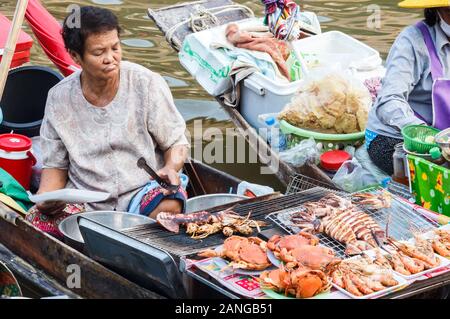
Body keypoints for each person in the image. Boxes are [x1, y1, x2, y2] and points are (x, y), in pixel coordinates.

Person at [26, 6, 190, 238]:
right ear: (75, 56)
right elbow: (56, 166)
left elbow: (177, 143)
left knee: (169, 208)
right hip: (87, 200)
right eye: (99, 52)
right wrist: (46, 200)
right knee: (36, 222)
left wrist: (170, 168)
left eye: (115, 48)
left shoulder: (146, 83)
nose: (110, 58)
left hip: (142, 192)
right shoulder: (58, 97)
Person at [366, 1, 450, 175]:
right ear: (438, 10)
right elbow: (389, 100)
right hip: (394, 137)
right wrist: (426, 136)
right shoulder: (412, 40)